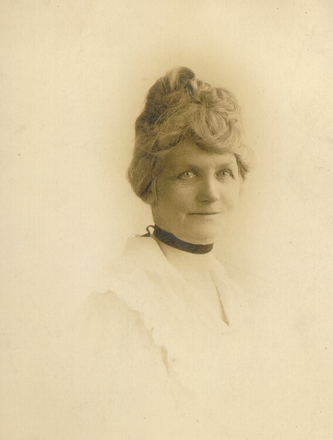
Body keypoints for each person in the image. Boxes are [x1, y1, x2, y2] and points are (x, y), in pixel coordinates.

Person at [90, 66, 255, 393]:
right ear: (150, 185)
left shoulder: (239, 299)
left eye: (224, 173)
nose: (210, 194)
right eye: (188, 175)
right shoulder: (123, 304)